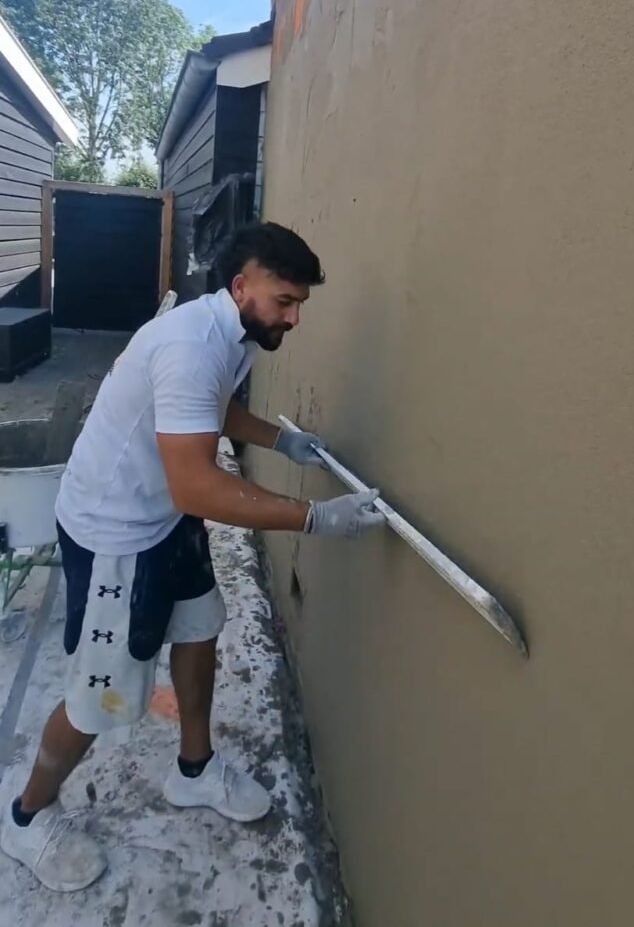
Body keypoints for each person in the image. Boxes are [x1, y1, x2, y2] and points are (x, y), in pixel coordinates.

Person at [0, 222, 384, 892]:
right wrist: (315, 518)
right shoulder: (188, 348)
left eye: (299, 306)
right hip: (115, 531)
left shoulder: (233, 332)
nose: (293, 319)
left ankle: (195, 770)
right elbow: (198, 484)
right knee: (101, 694)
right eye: (284, 302)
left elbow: (211, 413)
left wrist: (278, 439)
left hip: (161, 516)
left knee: (201, 626)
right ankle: (26, 814)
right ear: (241, 286)